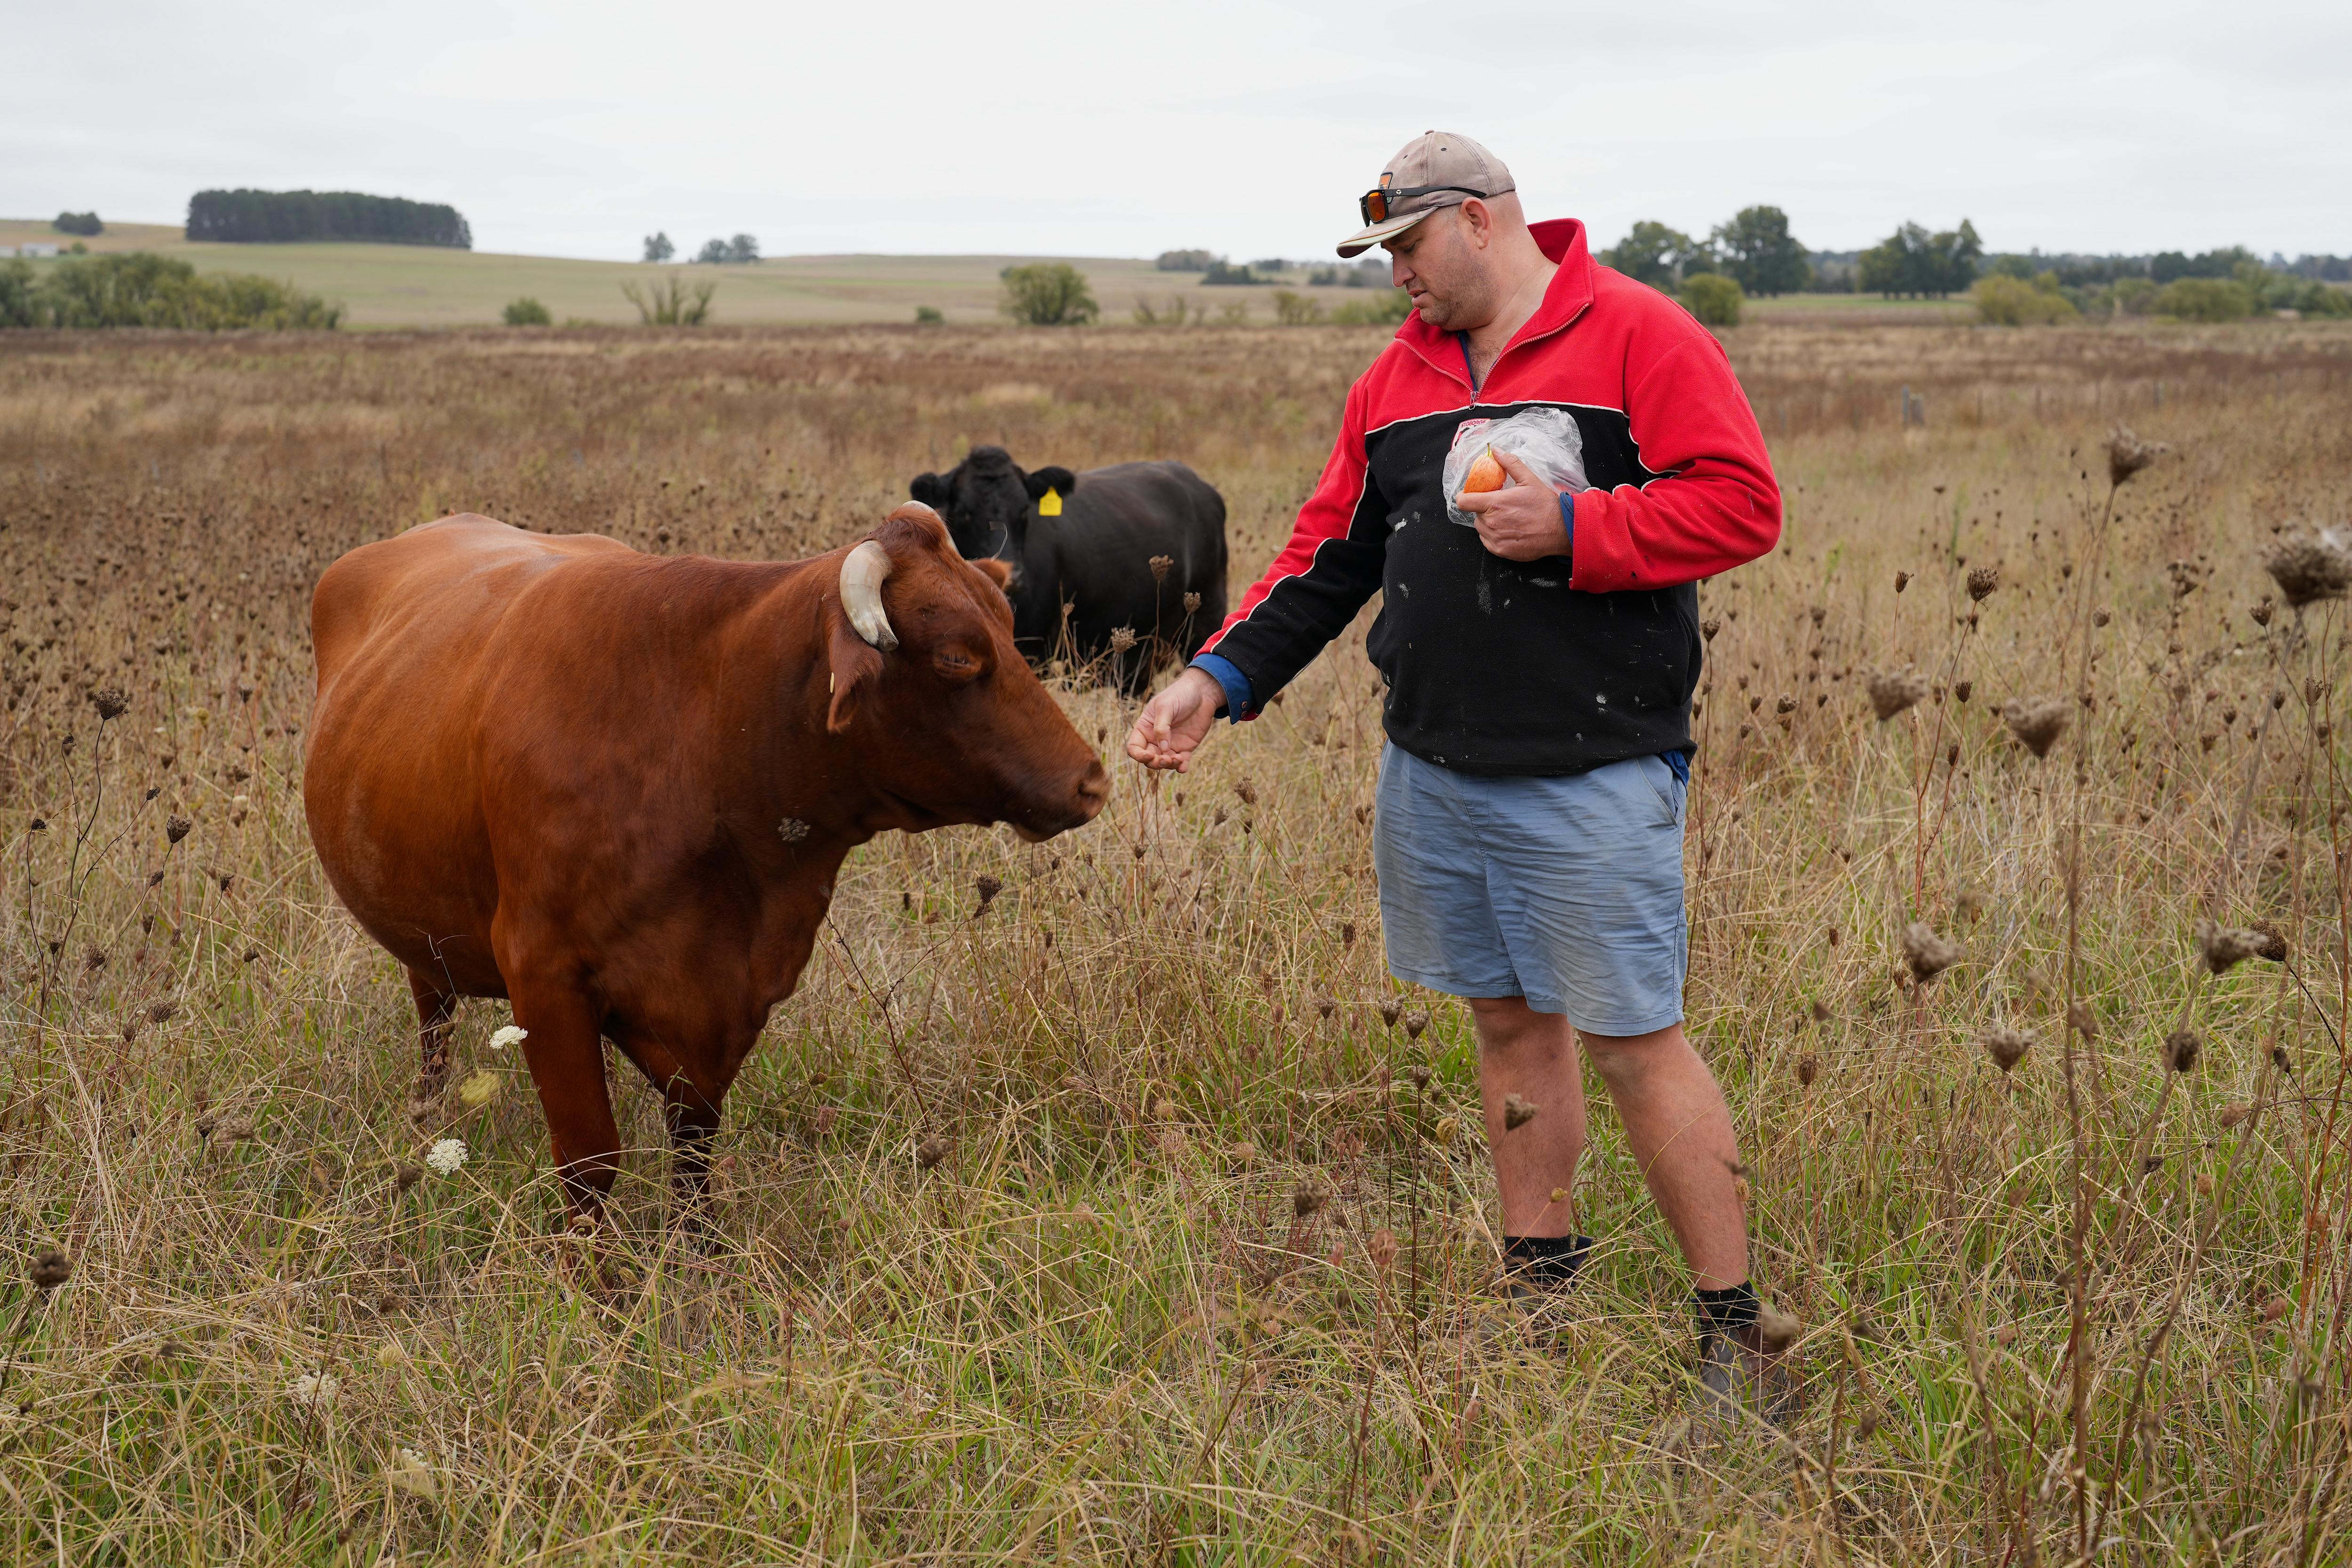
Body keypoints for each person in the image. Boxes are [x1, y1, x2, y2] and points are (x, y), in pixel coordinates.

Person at [1124, 132, 1786, 1408]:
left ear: (1483, 222)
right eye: (1383, 258)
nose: (1397, 280)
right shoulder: (1397, 379)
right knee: (1502, 1024)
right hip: (1435, 769)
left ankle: (1734, 1338)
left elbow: (1743, 503)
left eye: (1408, 248)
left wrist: (1583, 524)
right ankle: (1541, 1300)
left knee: (1634, 1043)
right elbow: (1329, 554)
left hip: (1593, 767)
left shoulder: (1641, 334)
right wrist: (1216, 678)